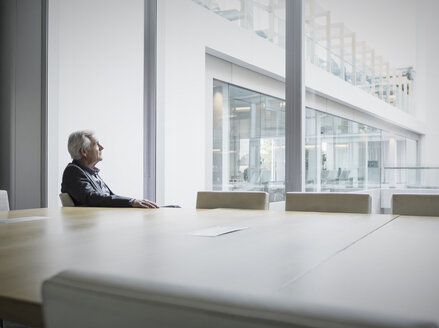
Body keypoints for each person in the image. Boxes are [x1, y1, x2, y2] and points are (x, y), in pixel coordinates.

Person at [61, 130, 159, 208]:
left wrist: (133, 202)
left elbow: (109, 197)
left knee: (172, 207)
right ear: (84, 152)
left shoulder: (90, 172)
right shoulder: (73, 171)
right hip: (91, 225)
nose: (101, 147)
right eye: (96, 144)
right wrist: (131, 202)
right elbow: (92, 198)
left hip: (104, 218)